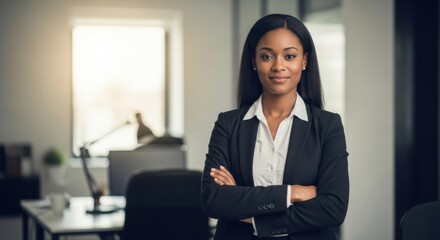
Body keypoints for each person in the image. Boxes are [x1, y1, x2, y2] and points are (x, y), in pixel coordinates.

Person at [201, 14, 349, 240]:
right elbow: (214, 200)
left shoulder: (328, 126)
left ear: (304, 61)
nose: (279, 66)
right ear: (254, 61)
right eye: (267, 56)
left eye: (289, 56)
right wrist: (295, 192)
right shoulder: (228, 124)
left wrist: (247, 209)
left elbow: (333, 209)